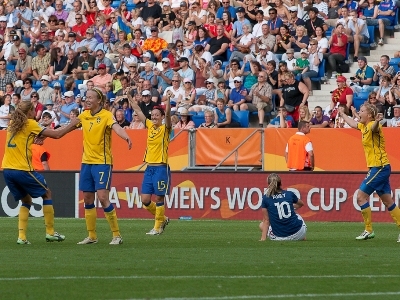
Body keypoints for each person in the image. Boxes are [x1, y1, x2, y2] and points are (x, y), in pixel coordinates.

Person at [1, 101, 78, 245]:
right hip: (21, 169)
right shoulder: (30, 123)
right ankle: (50, 233)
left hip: (7, 169)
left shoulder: (13, 124)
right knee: (47, 193)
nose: (35, 113)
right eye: (33, 110)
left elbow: (23, 140)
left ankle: (22, 237)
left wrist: (37, 139)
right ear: (29, 112)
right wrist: (74, 124)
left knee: (26, 200)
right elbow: (57, 134)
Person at [75, 88, 132, 245]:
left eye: (90, 97)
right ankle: (92, 236)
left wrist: (126, 137)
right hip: (86, 162)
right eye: (86, 97)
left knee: (102, 197)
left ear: (99, 101)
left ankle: (116, 235)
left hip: (102, 162)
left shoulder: (107, 115)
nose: (87, 100)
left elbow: (117, 127)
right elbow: (64, 129)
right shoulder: (84, 115)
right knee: (87, 198)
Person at [339, 103, 400, 241]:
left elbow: (374, 127)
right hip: (379, 167)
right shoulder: (363, 126)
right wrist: (342, 114)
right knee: (388, 201)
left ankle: (368, 229)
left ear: (370, 115)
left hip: (380, 167)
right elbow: (353, 124)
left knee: (361, 197)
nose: (359, 113)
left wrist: (377, 121)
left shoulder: (373, 126)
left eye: (361, 111)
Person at [127, 89, 171, 235]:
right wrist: (128, 96)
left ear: (162, 117)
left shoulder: (165, 129)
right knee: (145, 199)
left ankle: (157, 227)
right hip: (149, 168)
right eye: (153, 115)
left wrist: (168, 102)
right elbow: (137, 109)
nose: (154, 117)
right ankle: (163, 219)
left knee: (159, 197)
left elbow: (169, 116)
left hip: (161, 168)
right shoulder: (150, 126)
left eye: (157, 115)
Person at [259, 173, 307, 241]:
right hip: (299, 233)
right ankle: (302, 237)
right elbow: (301, 204)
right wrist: (291, 207)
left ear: (268, 184)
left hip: (279, 238)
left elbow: (266, 221)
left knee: (261, 225)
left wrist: (263, 239)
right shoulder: (289, 194)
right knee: (294, 213)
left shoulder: (265, 198)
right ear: (280, 183)